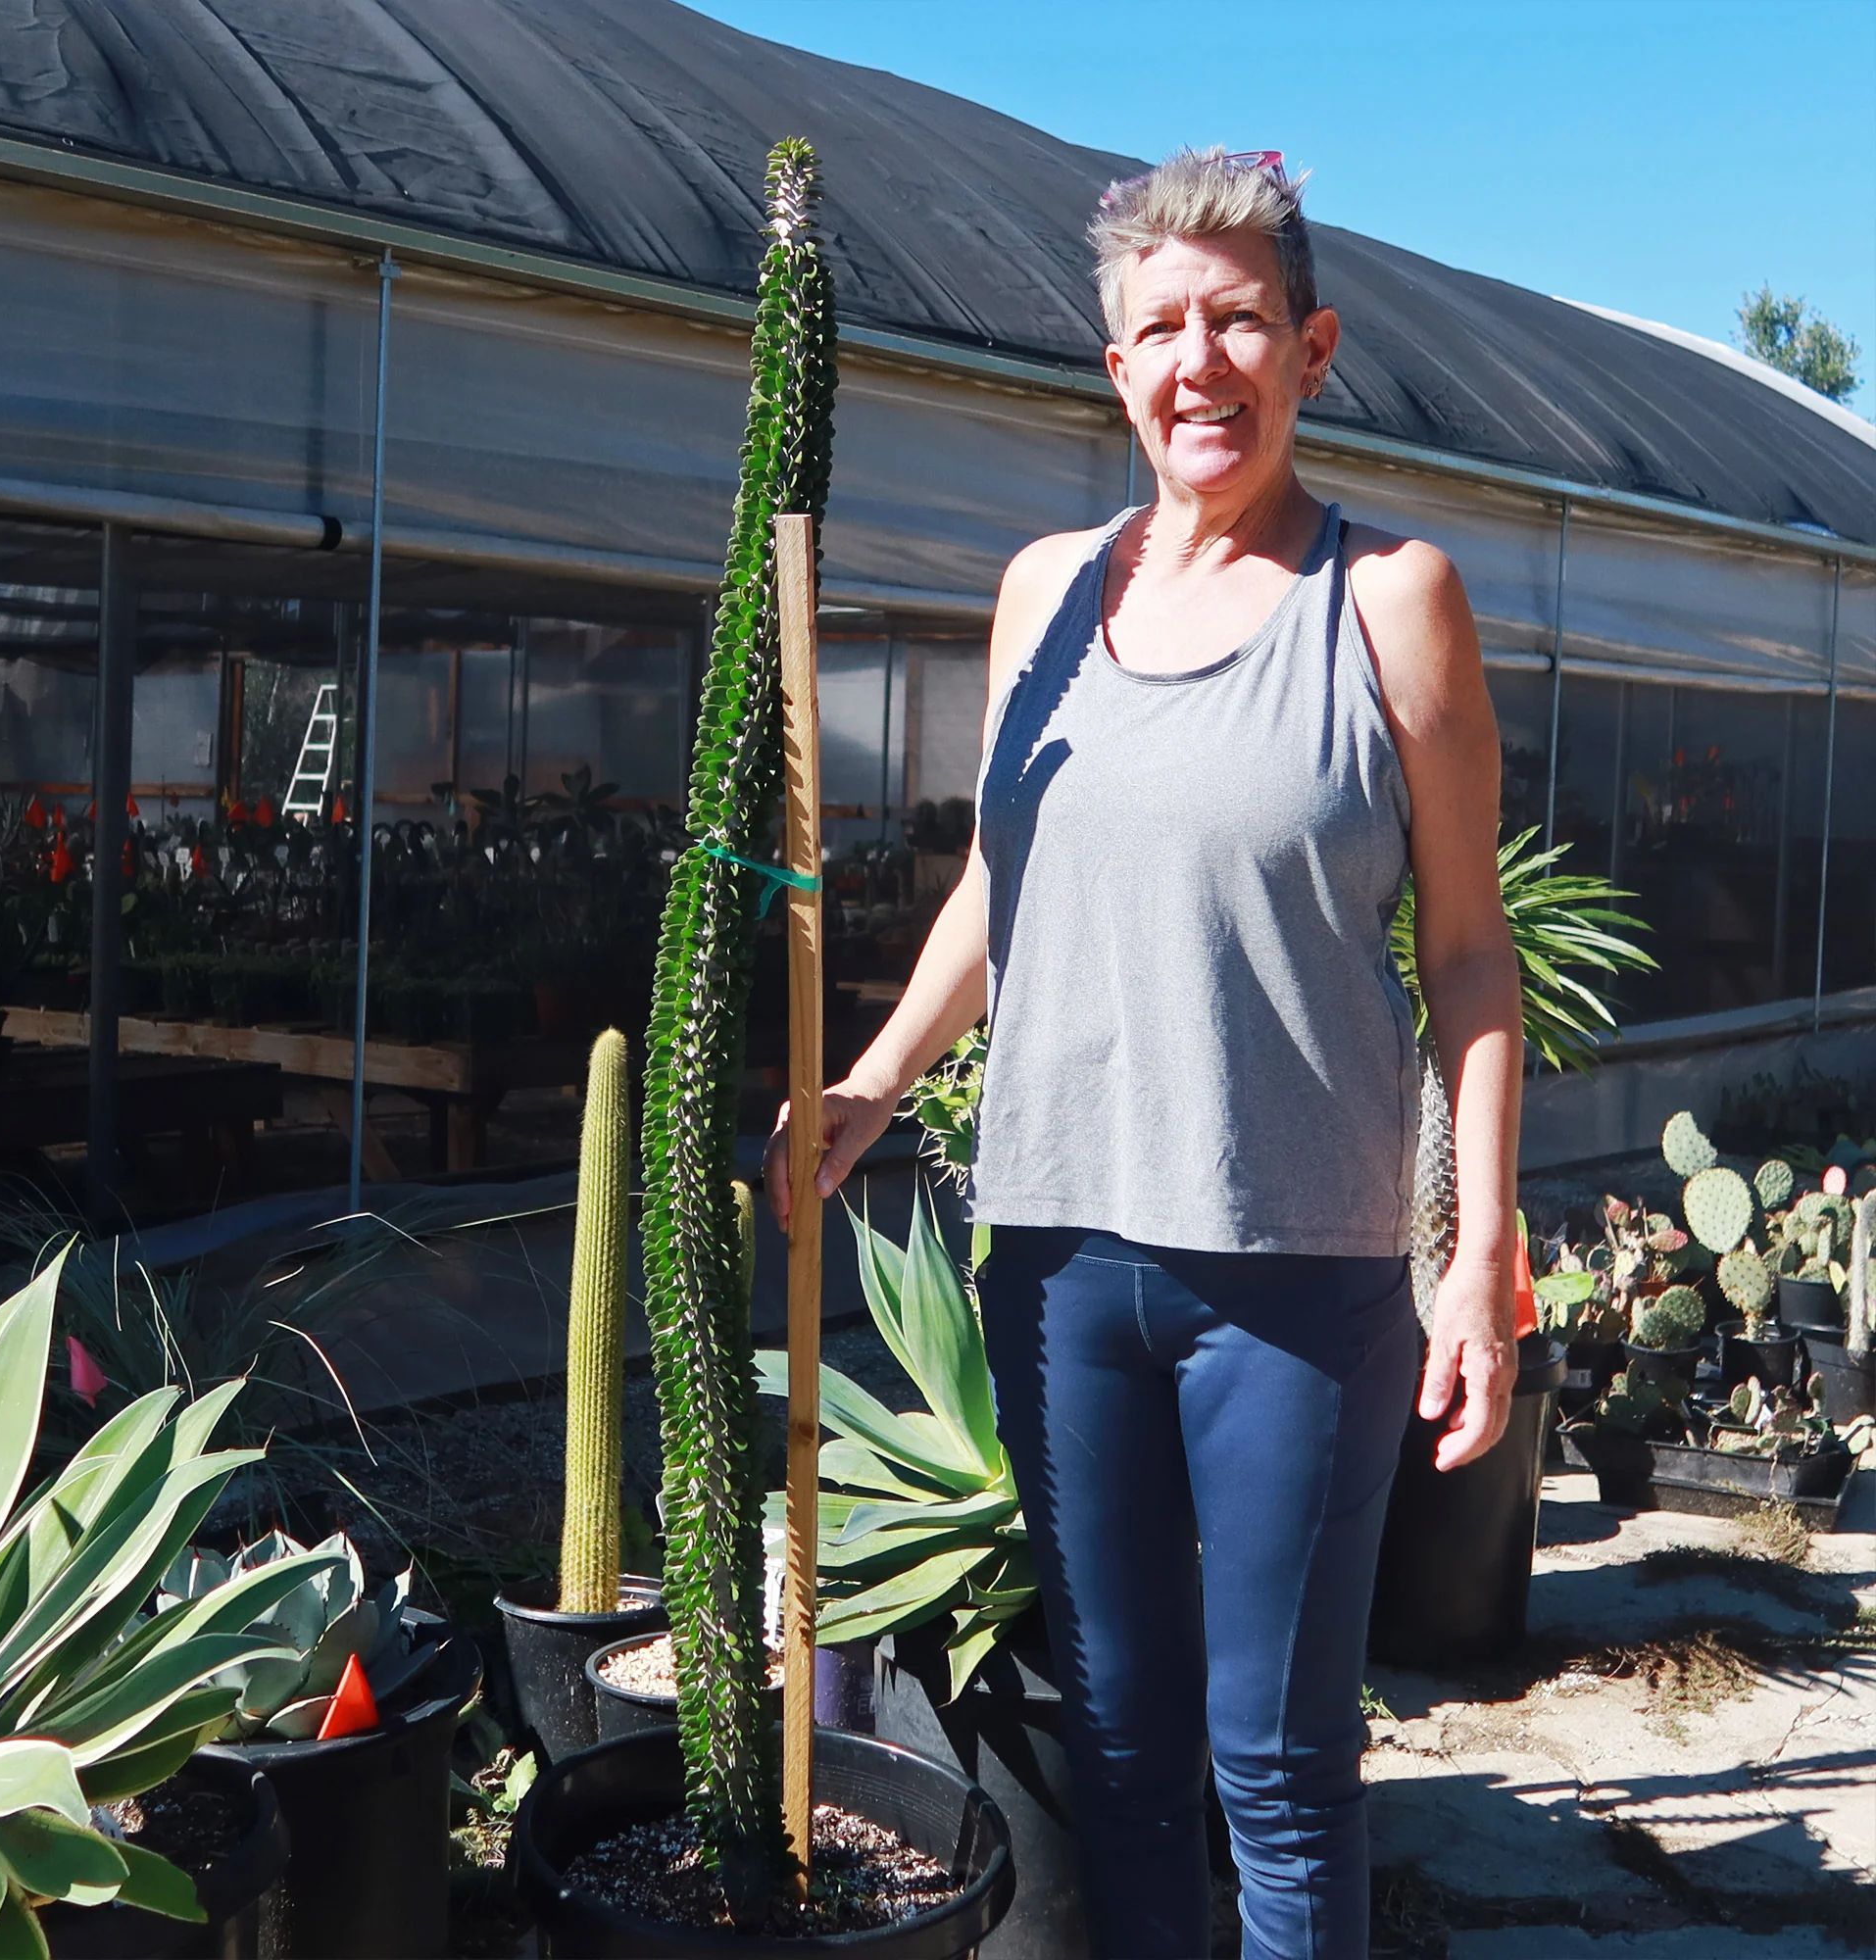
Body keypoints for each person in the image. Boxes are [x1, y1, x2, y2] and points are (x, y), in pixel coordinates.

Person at [765, 148, 1521, 1960]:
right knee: (1114, 1750)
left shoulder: (1388, 600)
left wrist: (1477, 1254)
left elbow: (1473, 954)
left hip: (1300, 1278)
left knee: (1278, 1765)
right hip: (1056, 1261)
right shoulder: (1040, 596)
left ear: (1310, 347)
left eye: (1240, 319)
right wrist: (872, 1083)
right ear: (1117, 371)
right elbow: (994, 890)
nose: (1202, 361)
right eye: (1161, 327)